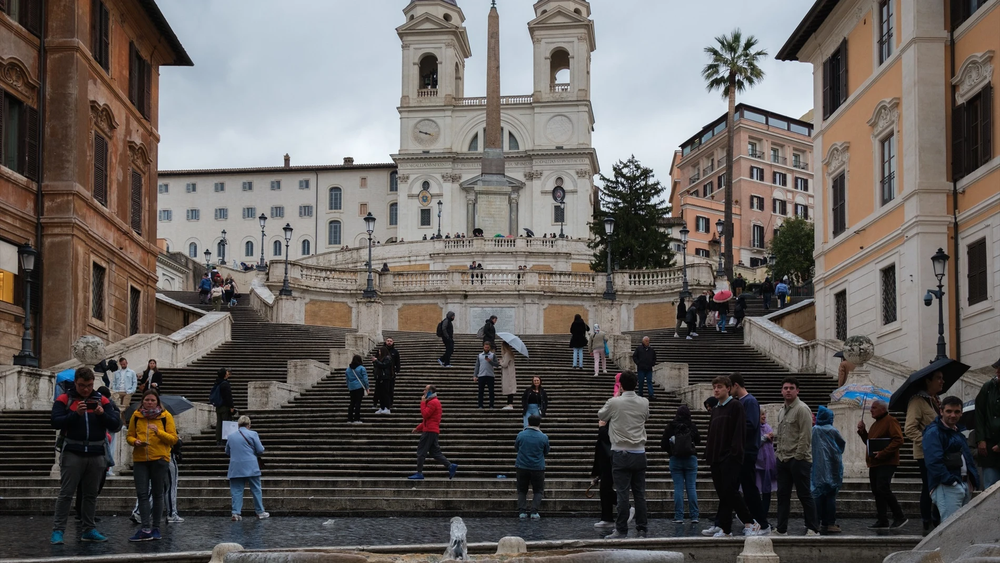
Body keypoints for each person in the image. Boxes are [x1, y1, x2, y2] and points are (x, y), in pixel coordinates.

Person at [50, 367, 122, 544]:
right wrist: (76, 414)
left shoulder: (102, 400)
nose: (86, 390)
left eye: (89, 386)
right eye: (82, 385)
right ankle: (58, 530)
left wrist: (102, 414)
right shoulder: (64, 399)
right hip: (73, 451)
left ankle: (88, 529)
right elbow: (55, 422)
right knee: (66, 493)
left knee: (91, 494)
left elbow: (116, 424)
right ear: (75, 383)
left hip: (96, 452)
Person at [598, 371, 650, 539]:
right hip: (639, 452)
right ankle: (642, 528)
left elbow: (601, 415)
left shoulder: (614, 402)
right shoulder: (644, 402)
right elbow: (646, 417)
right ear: (636, 384)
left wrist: (618, 395)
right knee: (639, 494)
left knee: (622, 493)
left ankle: (621, 530)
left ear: (620, 385)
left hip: (620, 451)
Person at [705, 375, 758, 537]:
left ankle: (750, 522)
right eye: (714, 387)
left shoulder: (735, 406)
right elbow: (711, 434)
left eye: (720, 387)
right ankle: (726, 529)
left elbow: (739, 432)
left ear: (728, 388)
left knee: (730, 491)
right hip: (716, 458)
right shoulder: (716, 410)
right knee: (724, 494)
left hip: (730, 457)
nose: (716, 389)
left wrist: (734, 454)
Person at [125, 389, 178, 541]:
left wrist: (158, 432)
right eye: (147, 400)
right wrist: (135, 442)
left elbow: (173, 439)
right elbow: (129, 436)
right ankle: (145, 528)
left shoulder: (165, 416)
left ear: (157, 402)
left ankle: (156, 528)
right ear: (142, 401)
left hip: (160, 458)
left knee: (157, 493)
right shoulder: (136, 416)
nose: (149, 402)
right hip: (140, 459)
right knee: (142, 494)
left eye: (152, 400)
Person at [773, 377, 820, 535]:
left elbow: (805, 436)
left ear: (797, 391)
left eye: (791, 388)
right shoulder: (781, 410)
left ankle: (813, 528)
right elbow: (781, 435)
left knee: (804, 494)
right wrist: (778, 454)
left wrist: (798, 457)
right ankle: (781, 529)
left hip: (799, 460)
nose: (788, 390)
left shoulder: (802, 409)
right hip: (782, 458)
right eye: (785, 388)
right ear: (781, 391)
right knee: (782, 496)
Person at [924, 395, 981, 522]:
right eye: (949, 411)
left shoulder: (957, 433)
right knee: (950, 526)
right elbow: (933, 462)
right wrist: (951, 482)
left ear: (961, 413)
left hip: (963, 483)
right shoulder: (934, 432)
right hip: (948, 485)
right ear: (941, 411)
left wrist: (972, 480)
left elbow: (968, 458)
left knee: (960, 526)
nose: (953, 415)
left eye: (956, 412)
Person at [731, 372, 771, 534]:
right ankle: (727, 523)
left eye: (729, 387)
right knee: (735, 488)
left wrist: (731, 430)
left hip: (747, 450)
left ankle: (762, 523)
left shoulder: (750, 402)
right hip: (741, 451)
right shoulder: (741, 402)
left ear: (736, 386)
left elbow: (751, 424)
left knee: (748, 489)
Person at [857, 399, 906, 529]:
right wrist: (863, 432)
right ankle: (882, 519)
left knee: (883, 488)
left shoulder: (890, 421)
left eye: (874, 408)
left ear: (883, 409)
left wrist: (883, 453)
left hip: (887, 461)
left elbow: (898, 440)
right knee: (877, 491)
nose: (871, 410)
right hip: (874, 462)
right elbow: (869, 442)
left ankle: (899, 516)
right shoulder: (875, 424)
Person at [905, 369, 943, 534]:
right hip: (925, 453)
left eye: (943, 378)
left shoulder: (936, 401)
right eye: (938, 378)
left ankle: (937, 518)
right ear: (928, 381)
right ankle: (927, 522)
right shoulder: (917, 401)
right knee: (929, 486)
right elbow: (909, 429)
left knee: (939, 485)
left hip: (941, 452)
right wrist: (929, 442)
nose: (942, 381)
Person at [409, 385, 458, 480]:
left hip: (429, 431)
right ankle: (450, 466)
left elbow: (425, 414)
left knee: (421, 451)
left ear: (430, 392)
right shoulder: (434, 402)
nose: (423, 392)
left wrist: (422, 403)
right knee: (435, 452)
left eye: (425, 390)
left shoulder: (433, 402)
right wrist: (418, 428)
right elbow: (429, 420)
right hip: (432, 430)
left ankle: (419, 472)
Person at [662, 404, 700, 523]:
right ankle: (694, 516)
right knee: (691, 487)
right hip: (691, 458)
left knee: (678, 488)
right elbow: (698, 440)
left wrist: (672, 451)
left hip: (675, 459)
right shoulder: (692, 426)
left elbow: (663, 444)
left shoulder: (670, 426)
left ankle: (679, 516)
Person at [226, 415, 268, 520]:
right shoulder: (253, 434)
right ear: (249, 425)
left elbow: (227, 452)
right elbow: (260, 450)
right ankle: (260, 511)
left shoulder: (231, 436)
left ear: (238, 425)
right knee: (256, 489)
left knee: (236, 491)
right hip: (251, 466)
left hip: (235, 467)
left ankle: (235, 513)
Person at [811, 406, 845, 534]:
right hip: (833, 466)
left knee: (818, 494)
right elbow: (841, 445)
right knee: (830, 495)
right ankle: (829, 522)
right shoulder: (833, 430)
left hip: (817, 467)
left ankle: (816, 522)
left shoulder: (814, 430)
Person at [515, 414, 550, 519]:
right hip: (537, 467)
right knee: (538, 490)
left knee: (522, 490)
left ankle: (522, 511)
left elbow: (516, 447)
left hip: (522, 466)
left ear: (528, 423)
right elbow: (546, 451)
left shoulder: (521, 435)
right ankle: (534, 511)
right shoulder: (543, 437)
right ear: (539, 423)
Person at [974, 357, 1000, 489]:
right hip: (989, 445)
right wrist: (980, 439)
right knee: (990, 487)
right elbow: (979, 414)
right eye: (997, 371)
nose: (998, 373)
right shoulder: (988, 387)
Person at [757, 411, 778, 518]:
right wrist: (764, 437)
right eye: (761, 414)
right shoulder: (754, 428)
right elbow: (753, 442)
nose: (764, 416)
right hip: (757, 463)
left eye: (765, 414)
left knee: (767, 491)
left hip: (768, 463)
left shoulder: (768, 427)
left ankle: (763, 515)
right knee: (755, 489)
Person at [211, 368, 235, 445]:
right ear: (224, 375)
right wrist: (231, 406)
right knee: (226, 422)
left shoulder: (217, 382)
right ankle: (225, 439)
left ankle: (218, 439)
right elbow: (228, 396)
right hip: (225, 406)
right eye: (226, 372)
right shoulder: (225, 384)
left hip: (218, 406)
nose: (228, 373)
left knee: (219, 423)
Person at [474, 341, 499, 409]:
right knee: (480, 391)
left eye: (488, 347)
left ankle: (491, 405)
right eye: (485, 347)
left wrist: (490, 361)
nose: (486, 348)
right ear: (483, 347)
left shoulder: (493, 355)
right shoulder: (479, 355)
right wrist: (475, 375)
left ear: (490, 347)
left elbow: (497, 365)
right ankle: (480, 405)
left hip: (490, 375)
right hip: (481, 375)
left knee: (491, 391)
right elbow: (477, 366)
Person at [371, 346, 395, 415]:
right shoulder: (381, 359)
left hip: (385, 378)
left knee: (385, 393)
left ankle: (387, 408)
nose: (379, 353)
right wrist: (375, 362)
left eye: (380, 351)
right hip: (380, 377)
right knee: (380, 394)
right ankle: (382, 407)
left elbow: (383, 366)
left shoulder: (387, 358)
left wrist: (376, 361)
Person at [346, 354, 369, 424]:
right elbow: (365, 379)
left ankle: (349, 419)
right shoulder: (361, 368)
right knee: (358, 403)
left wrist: (349, 387)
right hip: (359, 387)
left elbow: (347, 379)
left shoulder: (348, 369)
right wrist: (367, 387)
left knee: (352, 403)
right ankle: (357, 418)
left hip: (351, 387)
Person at [500, 342, 518, 410]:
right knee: (509, 389)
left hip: (508, 373)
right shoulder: (509, 354)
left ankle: (510, 404)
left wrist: (501, 361)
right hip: (509, 373)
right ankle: (509, 404)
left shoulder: (507, 354)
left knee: (509, 389)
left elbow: (504, 364)